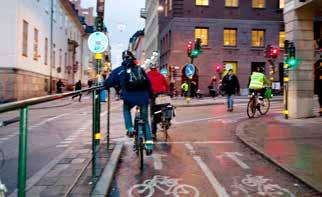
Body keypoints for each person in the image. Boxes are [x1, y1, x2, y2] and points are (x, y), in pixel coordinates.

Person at [104, 50, 154, 154]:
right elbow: (148, 83)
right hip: (143, 97)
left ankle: (130, 129)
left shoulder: (120, 70)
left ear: (123, 59)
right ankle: (149, 144)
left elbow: (107, 83)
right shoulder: (140, 69)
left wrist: (110, 85)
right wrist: (150, 96)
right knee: (145, 120)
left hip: (129, 98)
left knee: (126, 110)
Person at [147, 63, 169, 139]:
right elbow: (166, 84)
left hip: (153, 96)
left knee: (153, 115)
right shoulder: (160, 75)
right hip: (161, 95)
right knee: (165, 108)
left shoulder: (147, 76)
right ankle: (166, 120)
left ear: (150, 68)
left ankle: (154, 133)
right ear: (156, 68)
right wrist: (166, 91)